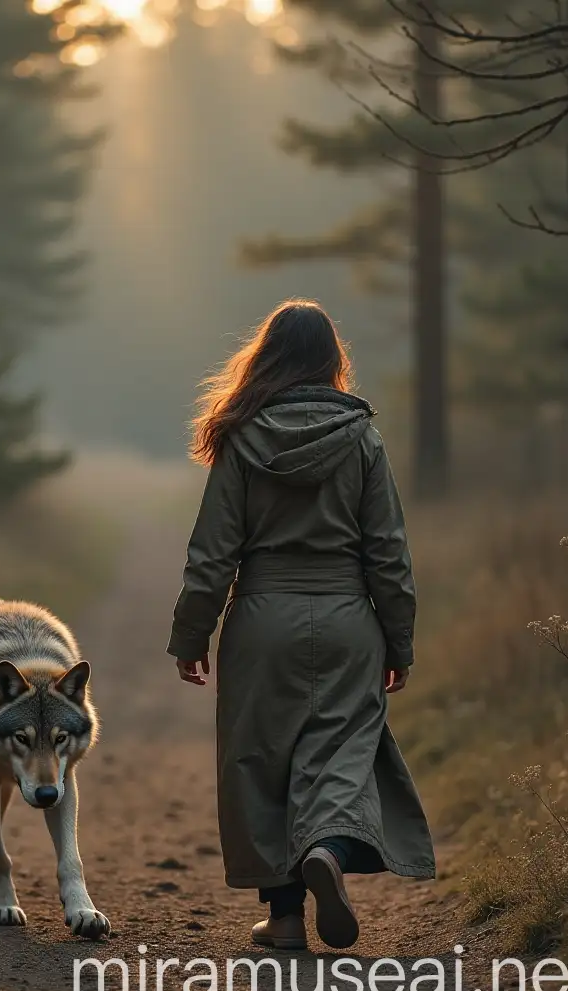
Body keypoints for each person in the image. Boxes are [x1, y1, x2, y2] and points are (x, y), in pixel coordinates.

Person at [167, 299, 434, 951]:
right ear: (330, 361)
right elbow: (389, 553)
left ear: (267, 357)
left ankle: (284, 919)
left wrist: (191, 634)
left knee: (263, 760)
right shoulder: (362, 438)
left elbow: (211, 553)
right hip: (348, 621)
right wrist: (398, 639)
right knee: (340, 753)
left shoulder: (241, 436)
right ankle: (328, 851)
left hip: (261, 620)